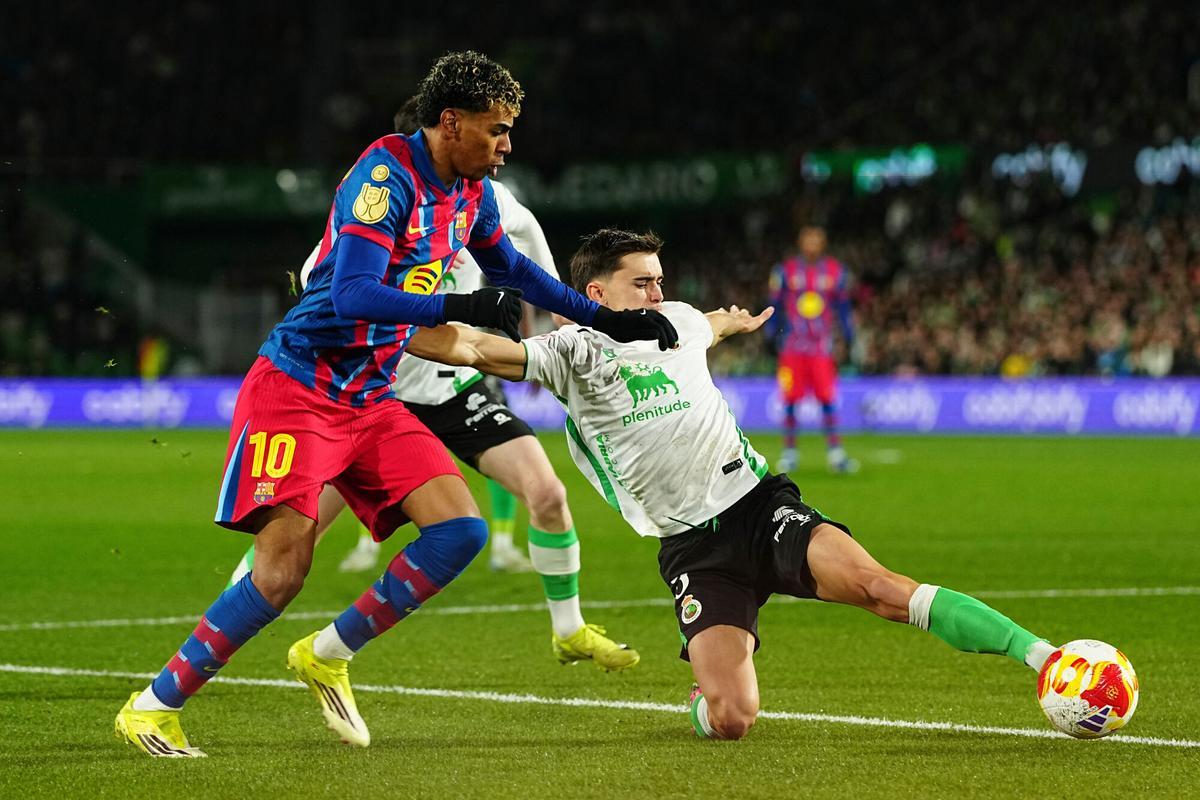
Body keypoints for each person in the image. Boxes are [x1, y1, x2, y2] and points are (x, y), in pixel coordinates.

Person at [114, 52, 676, 758]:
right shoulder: (385, 175)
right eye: (497, 129)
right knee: (284, 568)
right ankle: (154, 706)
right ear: (452, 123)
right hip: (301, 387)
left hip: (369, 396)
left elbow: (514, 269)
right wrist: (460, 303)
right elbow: (351, 294)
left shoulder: (471, 192)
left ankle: (326, 652)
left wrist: (606, 320)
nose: (507, 144)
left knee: (459, 533)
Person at [405, 227, 1058, 741]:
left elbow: (704, 322)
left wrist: (731, 320)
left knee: (882, 588)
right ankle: (707, 695)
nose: (658, 295)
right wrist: (383, 314)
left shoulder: (678, 321)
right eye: (642, 284)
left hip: (758, 506)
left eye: (660, 282)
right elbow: (469, 347)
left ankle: (1046, 658)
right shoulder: (568, 353)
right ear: (597, 295)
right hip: (694, 551)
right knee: (732, 719)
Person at [228, 99, 639, 670]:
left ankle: (568, 631)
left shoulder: (489, 202)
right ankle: (233, 622)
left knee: (546, 494)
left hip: (453, 389)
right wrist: (431, 320)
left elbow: (531, 267)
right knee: (294, 534)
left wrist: (578, 330)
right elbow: (323, 289)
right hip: (376, 394)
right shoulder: (372, 214)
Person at [766, 225, 857, 473]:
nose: (812, 245)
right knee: (791, 399)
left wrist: (849, 335)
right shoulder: (785, 271)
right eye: (808, 240)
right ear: (800, 242)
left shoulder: (836, 272)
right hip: (792, 347)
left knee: (827, 398)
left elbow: (844, 308)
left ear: (823, 243)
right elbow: (774, 304)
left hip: (820, 348)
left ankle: (835, 453)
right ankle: (790, 452)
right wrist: (770, 333)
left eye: (816, 240)